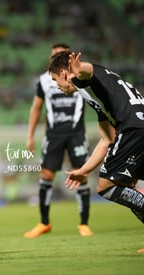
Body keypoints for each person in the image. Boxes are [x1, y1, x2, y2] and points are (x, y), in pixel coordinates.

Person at [48, 51, 144, 252]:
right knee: (128, 184)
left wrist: (78, 68)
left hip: (133, 128)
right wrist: (84, 170)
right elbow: (106, 140)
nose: (56, 85)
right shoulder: (98, 95)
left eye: (55, 79)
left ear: (65, 73)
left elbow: (87, 71)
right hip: (139, 125)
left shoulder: (85, 78)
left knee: (105, 186)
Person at [24, 44, 93, 238]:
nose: (55, 58)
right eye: (53, 55)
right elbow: (36, 108)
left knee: (82, 175)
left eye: (60, 55)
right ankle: (44, 222)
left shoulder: (78, 77)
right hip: (53, 134)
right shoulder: (45, 81)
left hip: (76, 133)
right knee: (46, 176)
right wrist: (30, 136)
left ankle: (84, 224)